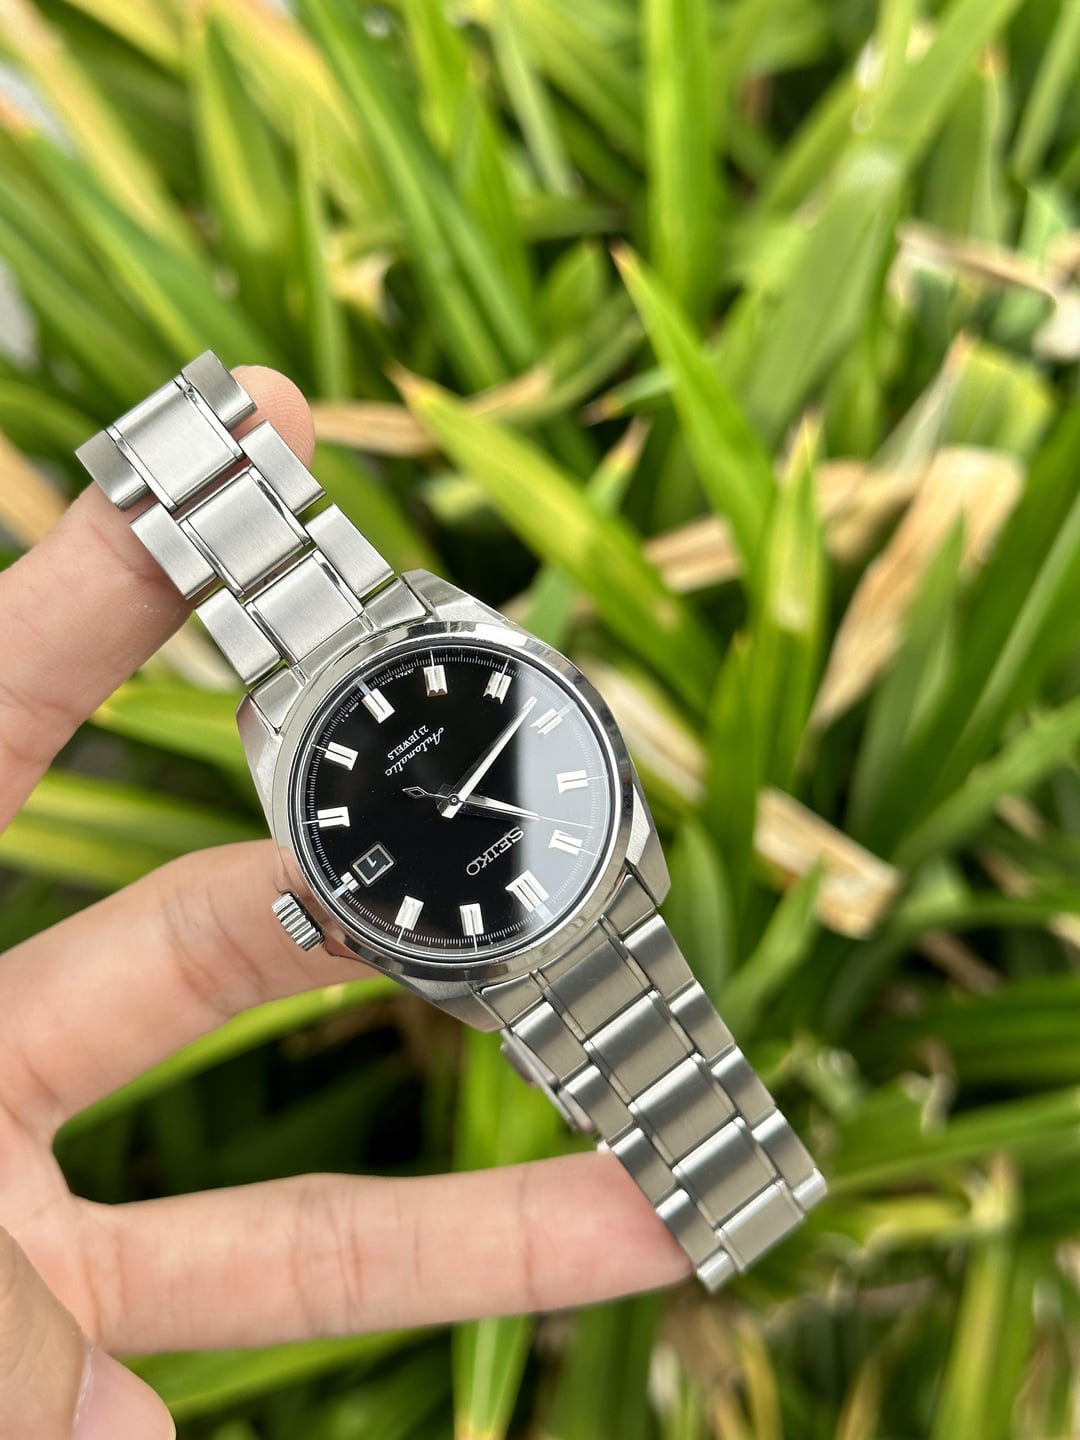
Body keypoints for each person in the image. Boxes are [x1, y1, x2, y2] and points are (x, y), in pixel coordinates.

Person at [0, 367, 687, 1439]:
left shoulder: (468, 677)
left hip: (586, 871)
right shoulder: (298, 768)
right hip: (494, 920)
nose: (451, 803)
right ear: (317, 900)